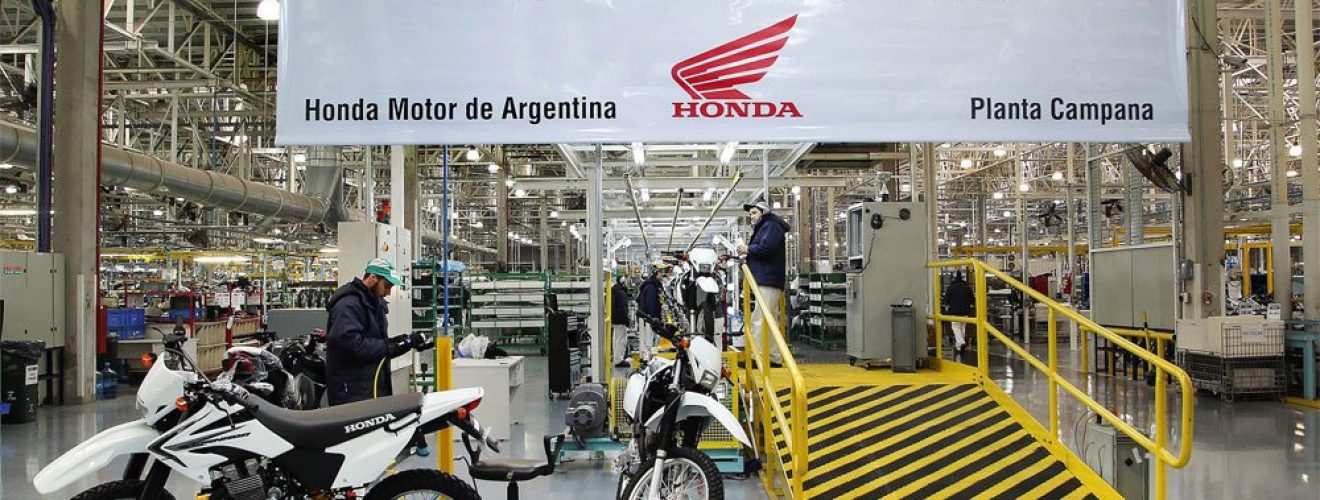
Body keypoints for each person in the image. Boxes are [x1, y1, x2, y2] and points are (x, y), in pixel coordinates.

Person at [325, 258, 427, 406]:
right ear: (372, 278)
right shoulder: (348, 305)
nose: (389, 292)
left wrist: (406, 342)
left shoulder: (373, 303)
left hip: (370, 386)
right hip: (352, 393)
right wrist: (393, 346)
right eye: (387, 286)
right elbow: (351, 345)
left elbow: (377, 342)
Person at [737, 199, 791, 367]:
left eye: (754, 212)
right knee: (769, 320)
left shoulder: (771, 226)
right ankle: (773, 357)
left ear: (764, 212)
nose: (752, 216)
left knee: (760, 319)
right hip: (767, 279)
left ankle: (758, 358)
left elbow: (767, 248)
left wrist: (748, 249)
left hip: (768, 279)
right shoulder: (767, 226)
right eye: (750, 214)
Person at [943, 271, 975, 356]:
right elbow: (972, 299)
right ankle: (959, 347)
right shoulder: (967, 287)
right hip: (965, 311)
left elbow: (946, 299)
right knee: (962, 328)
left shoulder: (951, 287)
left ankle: (961, 343)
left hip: (954, 311)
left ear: (954, 278)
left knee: (956, 327)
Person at [635, 264, 665, 353]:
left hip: (650, 319)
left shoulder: (653, 285)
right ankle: (648, 357)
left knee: (650, 342)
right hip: (650, 320)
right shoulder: (651, 287)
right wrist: (653, 319)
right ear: (656, 274)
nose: (662, 274)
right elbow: (650, 304)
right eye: (661, 272)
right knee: (649, 343)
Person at [610, 277, 632, 367]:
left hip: (615, 319)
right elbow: (623, 308)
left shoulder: (614, 291)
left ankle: (617, 358)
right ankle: (619, 360)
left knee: (616, 339)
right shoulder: (621, 293)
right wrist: (627, 320)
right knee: (621, 340)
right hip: (620, 320)